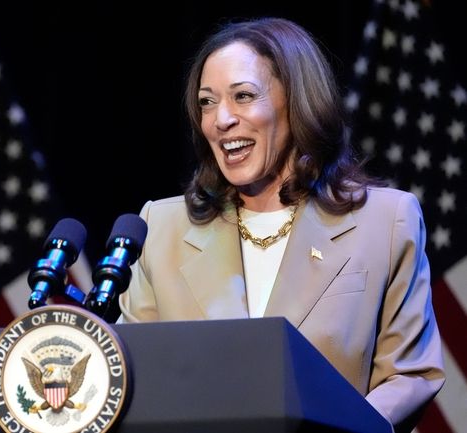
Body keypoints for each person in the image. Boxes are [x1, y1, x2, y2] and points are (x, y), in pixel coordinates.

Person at [117, 17, 444, 432]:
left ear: (297, 102)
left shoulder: (385, 221)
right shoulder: (161, 226)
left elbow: (409, 374)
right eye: (207, 102)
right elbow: (132, 374)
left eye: (243, 95)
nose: (221, 120)